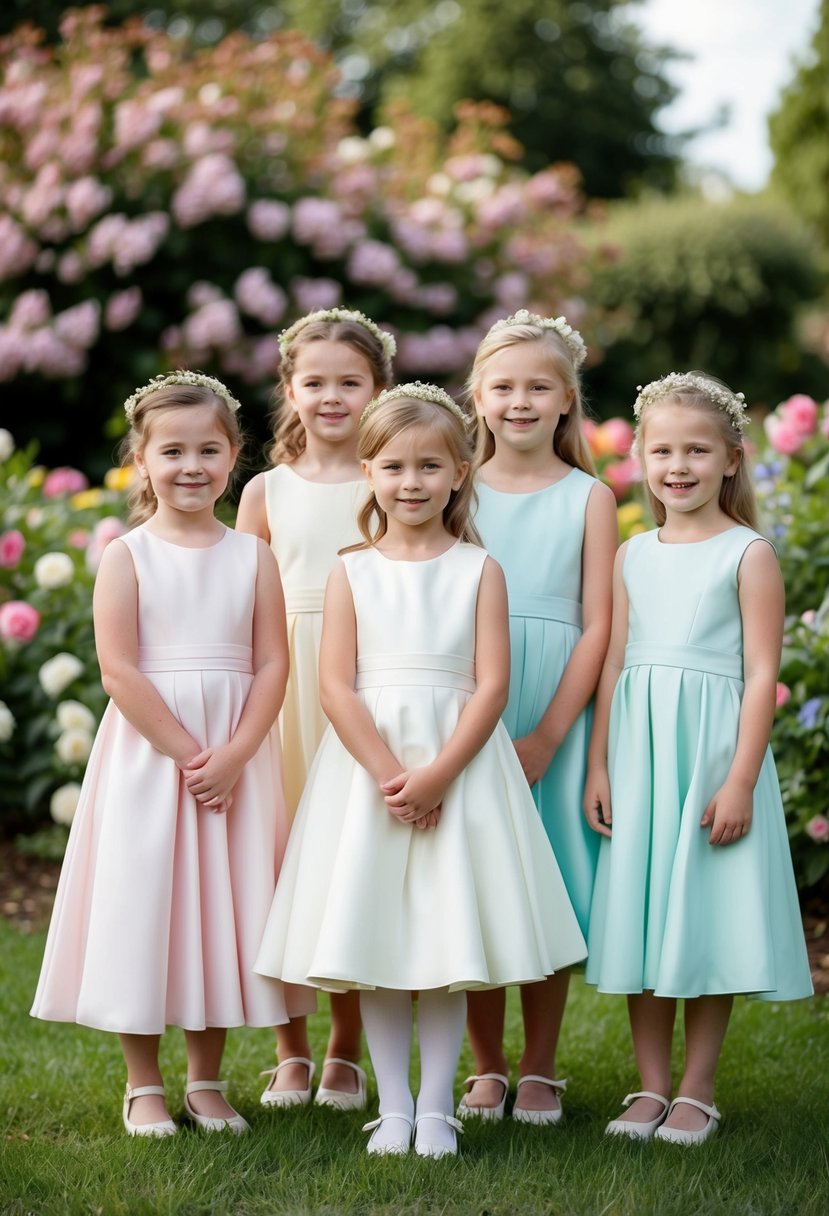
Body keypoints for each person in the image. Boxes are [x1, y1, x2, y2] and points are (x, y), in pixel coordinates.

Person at [254, 382, 587, 1159]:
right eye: (395, 466)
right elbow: (335, 683)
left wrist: (438, 774)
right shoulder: (351, 571)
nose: (412, 483)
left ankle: (437, 1105)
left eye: (429, 467)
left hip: (459, 764)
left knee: (442, 943)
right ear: (368, 472)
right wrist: (384, 772)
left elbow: (492, 682)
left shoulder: (478, 569)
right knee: (375, 943)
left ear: (459, 473)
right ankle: (394, 1105)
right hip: (367, 772)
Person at [31, 372, 306, 1136]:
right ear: (142, 461)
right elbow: (119, 668)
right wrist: (190, 755)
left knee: (217, 911)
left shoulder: (252, 558)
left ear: (233, 457)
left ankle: (207, 1080)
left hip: (233, 753)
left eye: (208, 450)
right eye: (173, 451)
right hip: (153, 759)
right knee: (148, 907)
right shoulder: (128, 555)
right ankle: (143, 1083)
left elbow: (273, 663)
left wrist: (237, 752)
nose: (191, 466)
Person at [583, 371, 813, 1145]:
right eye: (661, 451)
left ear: (730, 459)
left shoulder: (746, 555)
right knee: (645, 919)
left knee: (701, 916)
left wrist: (740, 778)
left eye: (695, 450)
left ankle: (696, 1088)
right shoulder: (630, 554)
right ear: (640, 460)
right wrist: (599, 766)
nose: (676, 465)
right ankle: (648, 1087)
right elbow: (612, 664)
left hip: (710, 754)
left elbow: (759, 673)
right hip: (640, 753)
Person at [458, 310, 618, 1125]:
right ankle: (485, 1066)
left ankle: (540, 1065)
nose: (519, 402)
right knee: (482, 877)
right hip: (468, 694)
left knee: (544, 880)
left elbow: (598, 623)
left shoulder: (588, 497)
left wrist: (553, 733)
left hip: (552, 695)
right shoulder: (456, 483)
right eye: (503, 386)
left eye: (537, 388)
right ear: (477, 396)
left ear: (566, 401)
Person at [236, 308, 394, 1111]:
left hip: (365, 687)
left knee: (345, 861)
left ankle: (345, 1045)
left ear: (377, 389)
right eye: (315, 382)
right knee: (278, 864)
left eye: (350, 382)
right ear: (289, 390)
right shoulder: (266, 490)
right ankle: (288, 1048)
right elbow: (242, 600)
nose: (331, 397)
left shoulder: (389, 479)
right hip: (282, 689)